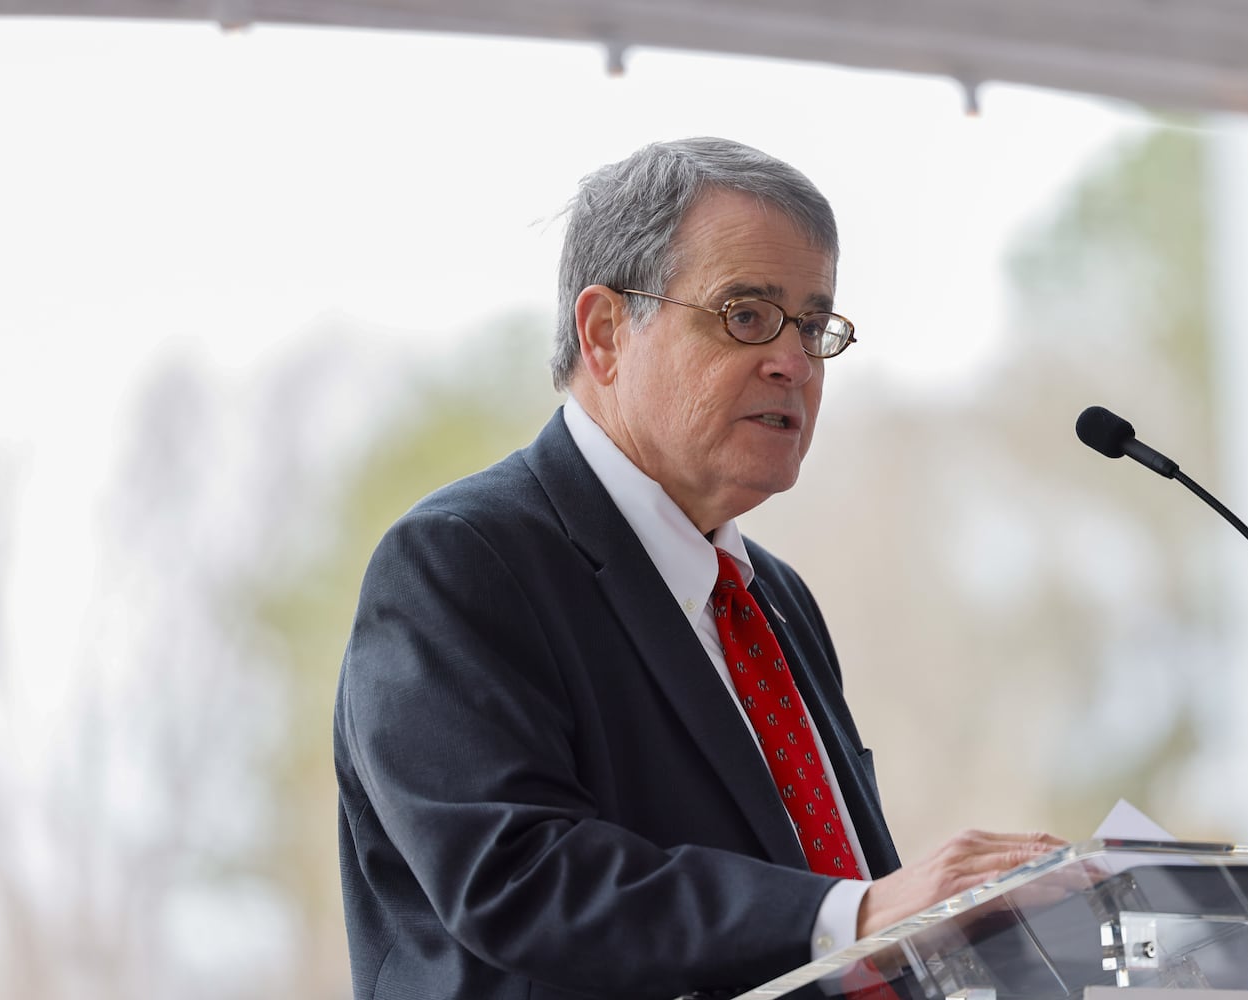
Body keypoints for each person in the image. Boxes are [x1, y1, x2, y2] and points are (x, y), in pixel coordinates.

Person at [333, 137, 1062, 1000]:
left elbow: (828, 891)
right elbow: (519, 876)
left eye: (811, 325)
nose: (793, 362)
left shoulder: (772, 597)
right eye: (745, 314)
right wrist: (859, 914)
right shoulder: (461, 561)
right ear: (605, 333)